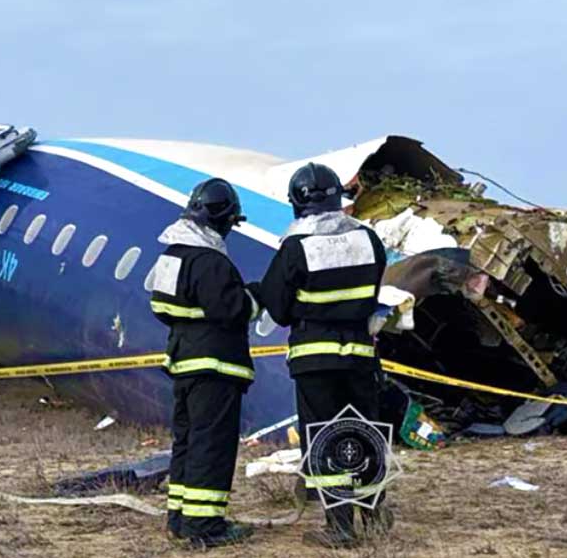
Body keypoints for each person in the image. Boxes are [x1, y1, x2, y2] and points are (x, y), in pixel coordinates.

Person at [249, 163, 392, 549]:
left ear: (297, 202)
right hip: (360, 355)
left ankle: (341, 527)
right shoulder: (369, 240)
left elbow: (277, 308)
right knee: (365, 433)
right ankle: (376, 514)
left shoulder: (296, 246)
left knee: (327, 438)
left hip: (316, 360)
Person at [149, 179, 257, 549]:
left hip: (183, 364)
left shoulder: (172, 255)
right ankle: (204, 525)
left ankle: (179, 518)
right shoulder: (211, 261)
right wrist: (254, 297)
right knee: (212, 444)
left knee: (188, 441)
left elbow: (160, 308)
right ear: (224, 219)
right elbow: (232, 310)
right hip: (215, 367)